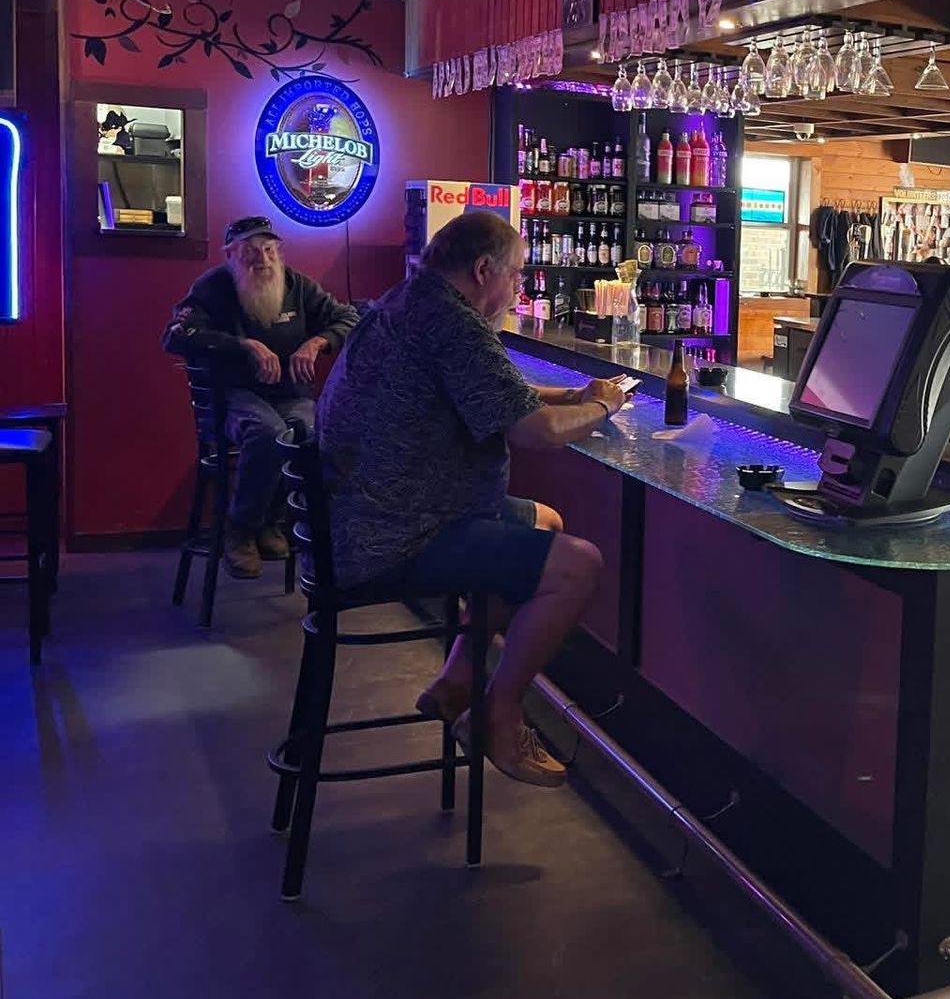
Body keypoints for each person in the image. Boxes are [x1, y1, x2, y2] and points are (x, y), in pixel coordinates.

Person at [318, 211, 630, 788]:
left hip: (365, 518)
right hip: (395, 537)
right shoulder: (449, 321)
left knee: (546, 522)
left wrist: (570, 392)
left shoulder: (410, 301)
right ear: (484, 269)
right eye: (516, 276)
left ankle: (458, 677)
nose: (519, 289)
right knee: (578, 565)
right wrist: (603, 408)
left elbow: (483, 385)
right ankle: (499, 713)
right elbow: (533, 432)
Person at [163, 215, 359, 578]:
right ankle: (241, 529)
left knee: (313, 435)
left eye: (269, 250)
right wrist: (243, 346)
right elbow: (176, 334)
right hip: (235, 395)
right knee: (268, 433)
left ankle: (275, 521)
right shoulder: (213, 288)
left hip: (290, 394)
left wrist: (318, 342)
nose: (263, 260)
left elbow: (348, 318)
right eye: (251, 252)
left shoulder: (297, 286)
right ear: (231, 256)